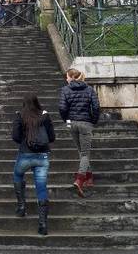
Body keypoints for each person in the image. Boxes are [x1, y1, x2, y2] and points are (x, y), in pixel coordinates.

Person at [12, 93, 55, 236]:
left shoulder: (20, 115)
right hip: (42, 156)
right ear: (37, 102)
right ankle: (43, 224)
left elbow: (15, 136)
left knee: (18, 175)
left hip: (25, 154)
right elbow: (52, 137)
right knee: (41, 188)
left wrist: (25, 141)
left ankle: (21, 206)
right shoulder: (45, 115)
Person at [59, 68, 100, 197]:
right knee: (85, 153)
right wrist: (92, 120)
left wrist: (67, 120)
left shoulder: (65, 90)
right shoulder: (89, 90)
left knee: (81, 151)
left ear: (71, 77)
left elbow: (62, 108)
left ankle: (88, 177)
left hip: (72, 123)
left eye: (67, 77)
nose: (66, 79)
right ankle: (80, 179)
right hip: (85, 123)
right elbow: (96, 107)